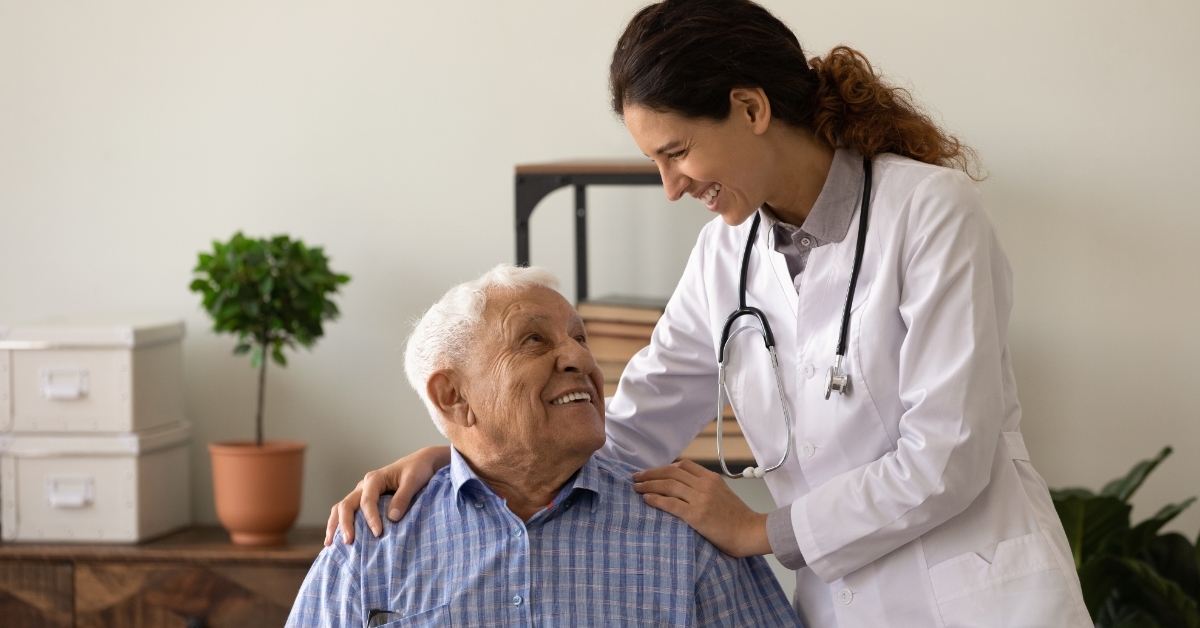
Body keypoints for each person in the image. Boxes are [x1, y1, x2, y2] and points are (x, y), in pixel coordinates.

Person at [327, 1, 1091, 626]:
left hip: (986, 597)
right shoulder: (725, 256)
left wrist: (760, 530)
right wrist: (462, 456)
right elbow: (627, 429)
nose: (670, 185)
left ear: (751, 107)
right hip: (848, 607)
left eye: (676, 152)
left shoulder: (929, 211)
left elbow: (947, 458)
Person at [290, 265, 801, 627]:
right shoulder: (372, 545)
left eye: (580, 339)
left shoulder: (686, 533)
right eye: (534, 340)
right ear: (453, 397)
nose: (578, 358)